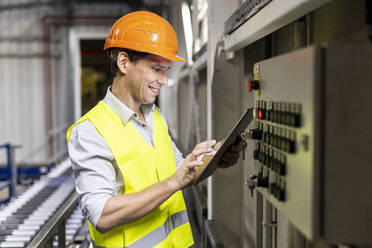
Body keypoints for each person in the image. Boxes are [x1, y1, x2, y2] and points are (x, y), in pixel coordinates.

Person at [67, 11, 241, 248]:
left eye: (166, 70)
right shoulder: (90, 131)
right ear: (124, 62)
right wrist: (173, 183)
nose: (164, 80)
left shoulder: (154, 116)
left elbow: (182, 173)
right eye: (156, 69)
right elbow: (102, 214)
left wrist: (215, 157)